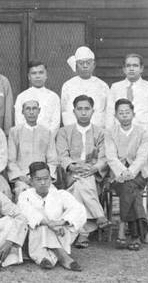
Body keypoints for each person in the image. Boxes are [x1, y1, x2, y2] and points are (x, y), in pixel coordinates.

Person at [106, 54, 148, 204]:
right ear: (123, 69)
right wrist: (111, 138)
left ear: (141, 68)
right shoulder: (116, 87)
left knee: (147, 177)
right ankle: (129, 216)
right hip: (121, 140)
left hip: (144, 141)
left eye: (135, 65)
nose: (131, 69)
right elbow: (110, 115)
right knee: (123, 177)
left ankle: (145, 217)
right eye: (128, 65)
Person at [54, 94, 109, 248]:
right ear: (74, 111)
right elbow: (61, 155)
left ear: (93, 111)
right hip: (71, 172)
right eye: (80, 109)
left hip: (93, 174)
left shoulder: (101, 133)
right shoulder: (64, 132)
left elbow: (105, 157)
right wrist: (71, 166)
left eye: (87, 109)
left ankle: (81, 233)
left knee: (80, 186)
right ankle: (99, 215)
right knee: (80, 180)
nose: (83, 112)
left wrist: (94, 168)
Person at [17, 161, 85, 271]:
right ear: (31, 181)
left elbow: (79, 210)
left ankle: (44, 257)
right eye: (38, 179)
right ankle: (62, 256)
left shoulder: (60, 194)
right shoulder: (25, 195)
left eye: (46, 178)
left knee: (75, 212)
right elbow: (28, 213)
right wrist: (50, 224)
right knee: (40, 224)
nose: (43, 182)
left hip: (60, 233)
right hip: (35, 236)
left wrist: (60, 222)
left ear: (51, 178)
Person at [106, 99, 148, 250]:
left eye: (127, 112)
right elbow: (111, 156)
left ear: (133, 114)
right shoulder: (110, 132)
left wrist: (130, 172)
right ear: (115, 115)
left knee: (129, 186)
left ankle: (122, 227)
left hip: (138, 174)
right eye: (121, 113)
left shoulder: (143, 132)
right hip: (116, 175)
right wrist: (122, 172)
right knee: (130, 189)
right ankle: (136, 234)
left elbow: (142, 157)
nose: (124, 116)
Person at [7, 100, 59, 199]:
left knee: (53, 195)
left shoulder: (46, 132)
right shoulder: (15, 132)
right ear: (23, 112)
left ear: (39, 111)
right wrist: (23, 178)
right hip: (23, 178)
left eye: (34, 109)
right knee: (23, 194)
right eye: (28, 109)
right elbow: (11, 161)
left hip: (43, 177)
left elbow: (52, 160)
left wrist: (45, 178)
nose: (31, 112)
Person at [61, 46, 109, 128]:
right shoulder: (68, 85)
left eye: (88, 63)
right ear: (76, 65)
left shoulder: (102, 85)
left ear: (94, 65)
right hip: (74, 130)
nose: (85, 66)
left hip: (97, 130)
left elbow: (107, 110)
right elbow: (65, 111)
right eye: (81, 63)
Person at [14, 61, 60, 133]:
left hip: (48, 139)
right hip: (26, 139)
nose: (37, 76)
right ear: (29, 76)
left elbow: (55, 122)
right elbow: (19, 121)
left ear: (46, 75)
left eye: (41, 72)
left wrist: (47, 138)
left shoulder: (53, 97)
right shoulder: (21, 97)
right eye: (34, 73)